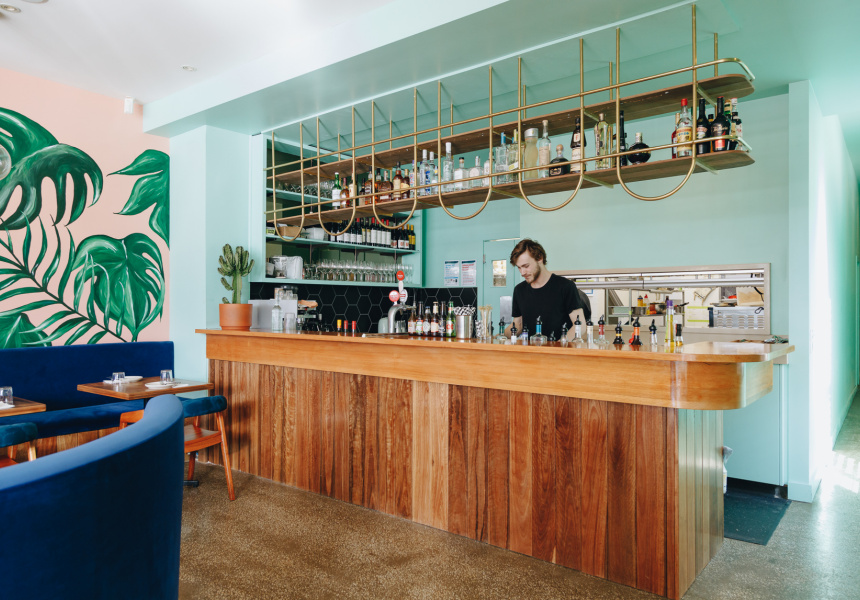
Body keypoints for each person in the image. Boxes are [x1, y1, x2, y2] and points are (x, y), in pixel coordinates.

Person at [505, 238, 590, 341]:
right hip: (530, 350)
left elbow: (580, 326)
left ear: (539, 258)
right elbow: (518, 325)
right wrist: (499, 336)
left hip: (560, 349)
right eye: (519, 267)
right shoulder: (519, 290)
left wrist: (559, 346)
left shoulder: (565, 286)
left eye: (526, 266)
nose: (522, 272)